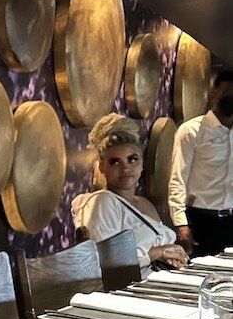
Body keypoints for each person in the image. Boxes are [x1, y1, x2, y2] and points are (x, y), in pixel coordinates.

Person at [72, 113, 187, 276]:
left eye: (132, 159)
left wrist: (172, 256)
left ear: (142, 163)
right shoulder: (102, 202)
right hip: (128, 288)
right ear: (102, 167)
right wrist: (159, 252)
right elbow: (104, 262)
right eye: (115, 162)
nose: (125, 168)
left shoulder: (145, 204)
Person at [169, 70, 233, 255]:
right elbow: (177, 179)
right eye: (227, 92)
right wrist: (180, 224)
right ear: (215, 93)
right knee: (199, 270)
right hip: (201, 220)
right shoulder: (191, 131)